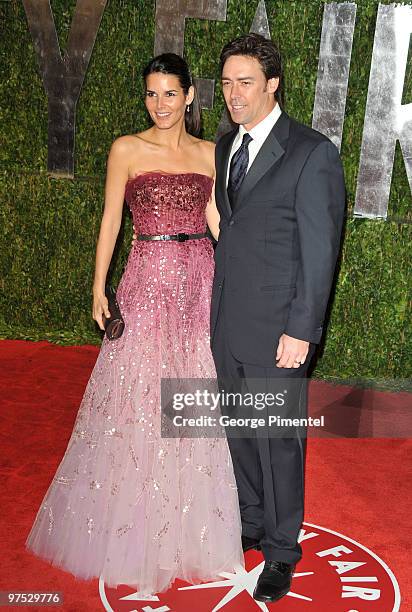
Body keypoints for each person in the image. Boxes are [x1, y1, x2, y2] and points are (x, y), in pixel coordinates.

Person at [25, 53, 243, 596]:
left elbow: (219, 221)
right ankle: (136, 521)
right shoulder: (126, 148)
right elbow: (111, 219)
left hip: (200, 280)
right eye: (151, 94)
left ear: (190, 96)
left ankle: (192, 526)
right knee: (139, 391)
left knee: (193, 391)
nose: (160, 104)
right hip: (146, 277)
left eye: (170, 94)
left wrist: (242, 280)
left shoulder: (212, 153)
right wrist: (99, 286)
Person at [210, 34, 346, 603]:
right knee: (240, 432)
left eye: (245, 83)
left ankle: (283, 549)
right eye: (225, 84)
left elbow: (321, 254)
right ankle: (252, 519)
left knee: (280, 441)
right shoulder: (225, 144)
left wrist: (302, 330)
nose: (233, 95)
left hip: (278, 332)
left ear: (273, 84)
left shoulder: (312, 153)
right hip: (229, 320)